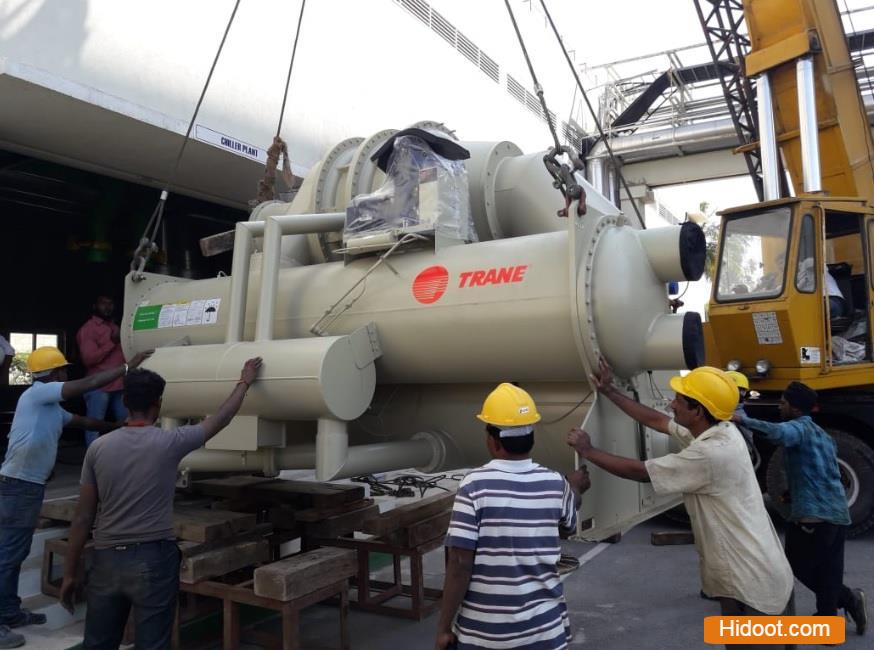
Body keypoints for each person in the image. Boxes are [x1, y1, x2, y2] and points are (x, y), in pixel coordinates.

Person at [569, 366, 794, 644]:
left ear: (698, 411)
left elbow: (640, 472)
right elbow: (658, 421)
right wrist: (609, 391)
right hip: (747, 576)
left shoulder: (711, 454)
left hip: (753, 584)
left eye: (678, 400)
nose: (671, 403)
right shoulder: (720, 430)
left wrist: (588, 451)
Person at [60, 357, 263, 650]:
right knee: (153, 644)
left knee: (98, 644)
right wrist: (245, 381)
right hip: (153, 559)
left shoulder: (98, 448)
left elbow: (82, 517)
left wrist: (70, 572)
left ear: (126, 402)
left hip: (105, 560)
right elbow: (221, 418)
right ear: (158, 404)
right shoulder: (170, 443)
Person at [0, 346, 151, 649]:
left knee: (14, 554)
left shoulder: (50, 408)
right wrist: (125, 368)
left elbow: (84, 422)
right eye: (64, 370)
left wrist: (116, 427)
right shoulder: (37, 394)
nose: (68, 374)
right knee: (7, 556)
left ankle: (10, 612)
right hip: (19, 485)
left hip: (28, 485)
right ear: (54, 374)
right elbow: (87, 385)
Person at [435, 383, 589, 650]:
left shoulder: (473, 485)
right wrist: (574, 487)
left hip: (483, 635)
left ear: (493, 441)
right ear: (532, 437)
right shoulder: (555, 483)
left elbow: (460, 564)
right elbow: (567, 526)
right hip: (544, 632)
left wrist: (443, 627)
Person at [735, 382, 867, 634]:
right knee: (829, 568)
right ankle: (830, 622)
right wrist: (790, 492)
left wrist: (740, 419)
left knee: (798, 564)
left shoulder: (797, 429)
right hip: (836, 513)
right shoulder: (822, 435)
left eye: (783, 402)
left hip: (814, 515)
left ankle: (849, 598)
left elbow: (777, 433)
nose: (780, 406)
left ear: (795, 408)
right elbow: (828, 472)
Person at [76, 296, 127, 448]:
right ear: (94, 306)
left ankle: (125, 457)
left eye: (110, 303)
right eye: (103, 303)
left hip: (120, 384)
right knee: (94, 425)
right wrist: (112, 342)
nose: (108, 307)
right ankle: (93, 462)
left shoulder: (116, 327)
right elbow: (88, 359)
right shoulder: (88, 329)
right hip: (99, 386)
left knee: (126, 424)